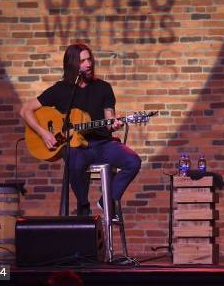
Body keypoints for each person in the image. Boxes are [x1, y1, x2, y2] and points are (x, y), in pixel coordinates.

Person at [20, 43, 141, 217]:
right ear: (72, 65)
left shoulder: (103, 88)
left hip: (103, 144)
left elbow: (109, 120)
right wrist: (43, 132)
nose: (88, 64)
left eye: (89, 59)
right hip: (78, 148)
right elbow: (25, 110)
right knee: (73, 159)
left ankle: (107, 200)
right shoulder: (60, 90)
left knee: (133, 161)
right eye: (83, 61)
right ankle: (83, 205)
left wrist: (113, 123)